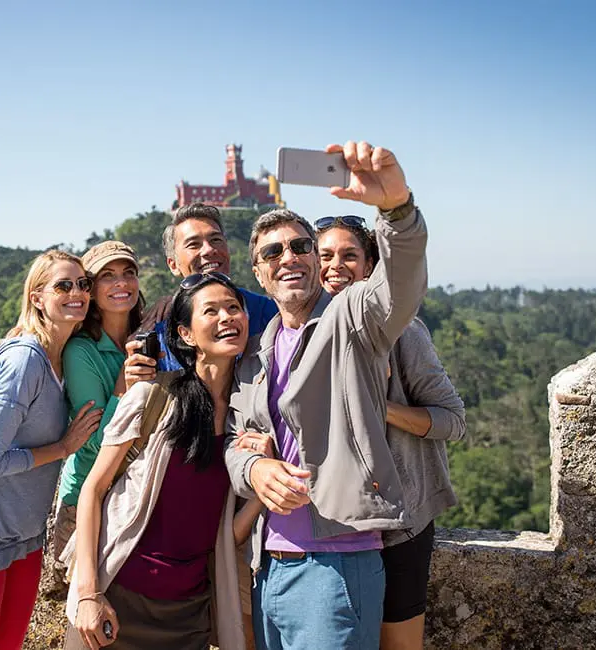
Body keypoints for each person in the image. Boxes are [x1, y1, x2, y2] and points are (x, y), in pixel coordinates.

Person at [224, 140, 429, 650]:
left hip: (337, 563)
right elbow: (234, 442)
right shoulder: (256, 352)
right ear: (259, 272)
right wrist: (254, 469)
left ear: (316, 260)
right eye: (273, 252)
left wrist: (396, 210)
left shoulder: (352, 319)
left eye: (300, 247)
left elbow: (399, 286)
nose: (289, 258)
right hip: (268, 567)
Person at [64, 272, 268, 650]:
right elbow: (94, 489)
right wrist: (88, 593)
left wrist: (261, 486)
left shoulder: (246, 418)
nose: (226, 317)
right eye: (211, 311)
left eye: (233, 308)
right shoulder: (153, 397)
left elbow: (225, 536)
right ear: (186, 334)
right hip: (117, 597)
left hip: (188, 612)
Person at [0, 250, 105, 650]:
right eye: (63, 286)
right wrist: (62, 448)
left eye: (83, 284)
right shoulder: (25, 362)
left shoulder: (65, 356)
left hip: (25, 536)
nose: (77, 293)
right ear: (37, 297)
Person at [316, 215, 466, 650]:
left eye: (349, 256)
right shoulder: (304, 331)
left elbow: (452, 420)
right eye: (325, 256)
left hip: (400, 526)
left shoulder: (404, 332)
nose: (335, 266)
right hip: (333, 527)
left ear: (370, 266)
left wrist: (378, 406)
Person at [50, 241, 145, 588]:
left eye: (128, 273)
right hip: (87, 502)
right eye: (107, 276)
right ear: (90, 290)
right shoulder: (81, 351)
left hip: (138, 494)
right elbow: (91, 441)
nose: (121, 283)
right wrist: (123, 385)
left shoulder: (149, 335)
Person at [130, 202, 279, 375]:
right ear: (173, 265)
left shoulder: (270, 314)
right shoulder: (160, 336)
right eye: (193, 244)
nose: (209, 250)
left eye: (216, 240)